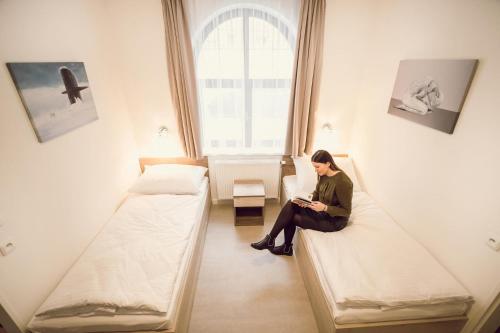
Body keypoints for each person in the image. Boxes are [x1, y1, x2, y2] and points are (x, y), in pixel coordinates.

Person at [250, 150, 353, 256]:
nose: (315, 170)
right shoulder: (323, 174)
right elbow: (316, 194)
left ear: (328, 163)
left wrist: (325, 208)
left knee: (292, 217)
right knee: (292, 203)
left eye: (317, 167)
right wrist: (305, 201)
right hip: (320, 211)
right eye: (314, 167)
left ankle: (283, 247)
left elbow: (346, 211)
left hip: (333, 221)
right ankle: (271, 240)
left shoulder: (343, 182)